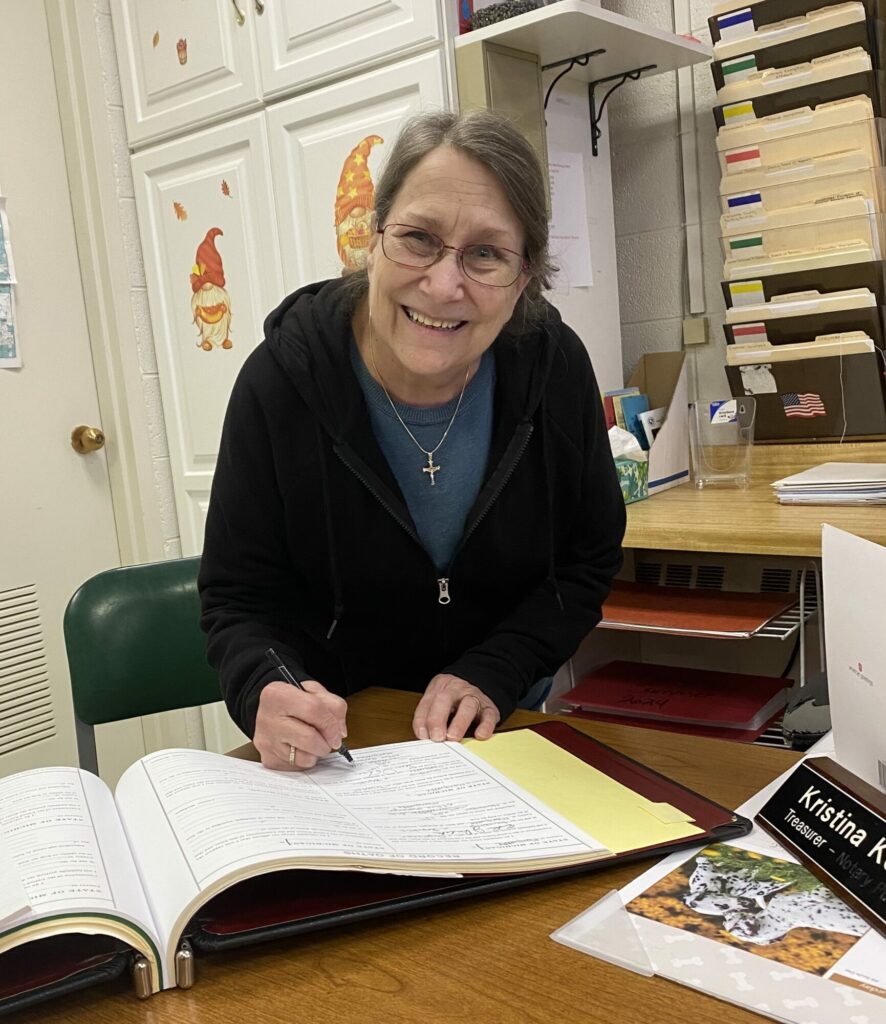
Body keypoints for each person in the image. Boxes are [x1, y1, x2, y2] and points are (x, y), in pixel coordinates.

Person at [198, 108, 626, 771]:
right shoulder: (282, 379)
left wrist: (497, 666)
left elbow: (585, 557)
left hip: (498, 730)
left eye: (485, 254)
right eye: (419, 238)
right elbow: (238, 597)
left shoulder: (555, 368)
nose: (443, 284)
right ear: (373, 239)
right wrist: (267, 684)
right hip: (339, 755)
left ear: (524, 275)